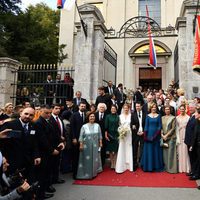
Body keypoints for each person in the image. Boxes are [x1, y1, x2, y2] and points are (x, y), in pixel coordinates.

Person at [76, 112, 103, 179]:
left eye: (93, 116)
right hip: (86, 146)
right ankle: (87, 173)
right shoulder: (84, 126)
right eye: (90, 116)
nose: (92, 118)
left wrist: (100, 143)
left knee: (95, 158)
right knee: (87, 159)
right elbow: (81, 136)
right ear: (88, 117)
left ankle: (94, 173)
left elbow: (100, 135)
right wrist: (81, 145)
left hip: (95, 146)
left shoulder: (97, 125)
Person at [141, 103, 164, 172]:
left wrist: (155, 136)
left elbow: (159, 126)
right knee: (149, 151)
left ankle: (155, 166)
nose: (154, 108)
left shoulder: (159, 116)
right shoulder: (147, 116)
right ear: (150, 108)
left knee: (155, 151)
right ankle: (148, 166)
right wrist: (145, 136)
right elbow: (146, 126)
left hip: (156, 136)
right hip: (148, 136)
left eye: (155, 107)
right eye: (152, 107)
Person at [49, 104, 65, 184]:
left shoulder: (60, 118)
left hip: (60, 143)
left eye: (59, 108)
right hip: (53, 144)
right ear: (52, 109)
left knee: (57, 162)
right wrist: (59, 138)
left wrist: (63, 139)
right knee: (52, 163)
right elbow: (52, 133)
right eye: (56, 108)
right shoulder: (50, 119)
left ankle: (56, 177)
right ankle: (51, 180)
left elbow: (62, 130)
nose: (58, 110)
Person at [70, 102, 87, 179]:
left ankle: (82, 171)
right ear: (79, 106)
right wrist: (73, 138)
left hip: (85, 139)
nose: (83, 107)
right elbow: (72, 127)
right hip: (76, 139)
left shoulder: (86, 115)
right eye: (81, 106)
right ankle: (75, 173)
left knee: (83, 156)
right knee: (75, 156)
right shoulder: (74, 115)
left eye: (84, 106)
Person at [115, 104, 133, 173]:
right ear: (123, 109)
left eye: (127, 108)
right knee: (122, 148)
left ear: (129, 109)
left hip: (129, 134)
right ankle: (121, 166)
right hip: (122, 134)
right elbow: (119, 125)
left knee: (128, 148)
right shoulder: (120, 116)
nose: (126, 109)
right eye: (125, 108)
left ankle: (129, 166)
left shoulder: (131, 116)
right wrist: (121, 131)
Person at [161, 106, 177, 173]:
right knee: (165, 153)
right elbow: (160, 127)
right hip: (163, 137)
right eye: (166, 109)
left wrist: (166, 135)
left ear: (170, 110)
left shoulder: (173, 118)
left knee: (171, 153)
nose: (167, 110)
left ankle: (171, 169)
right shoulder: (162, 117)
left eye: (168, 109)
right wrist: (162, 135)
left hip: (171, 137)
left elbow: (173, 128)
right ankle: (166, 168)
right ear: (164, 110)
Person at [131, 102, 146, 171]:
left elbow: (146, 124)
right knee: (135, 149)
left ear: (141, 106)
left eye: (138, 106)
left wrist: (143, 132)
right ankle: (135, 164)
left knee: (143, 149)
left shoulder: (145, 114)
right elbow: (132, 125)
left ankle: (142, 164)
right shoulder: (133, 115)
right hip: (136, 134)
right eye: (136, 106)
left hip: (143, 134)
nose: (137, 107)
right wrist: (136, 131)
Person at [176, 104, 190, 173]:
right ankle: (181, 168)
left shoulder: (188, 117)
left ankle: (187, 168)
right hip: (179, 135)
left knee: (186, 151)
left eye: (183, 109)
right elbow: (176, 128)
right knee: (180, 151)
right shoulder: (177, 118)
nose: (182, 110)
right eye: (180, 109)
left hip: (186, 135)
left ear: (185, 109)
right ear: (179, 110)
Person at [184, 103, 197, 176]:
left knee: (194, 158)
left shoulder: (196, 117)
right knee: (191, 158)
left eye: (192, 108)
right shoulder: (191, 116)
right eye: (189, 108)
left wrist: (192, 144)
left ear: (195, 108)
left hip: (193, 142)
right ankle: (192, 171)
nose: (190, 109)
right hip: (189, 141)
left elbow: (195, 132)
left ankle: (195, 173)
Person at [105, 105, 119, 169]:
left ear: (116, 109)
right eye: (112, 108)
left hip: (116, 134)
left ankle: (115, 162)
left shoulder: (118, 116)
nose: (113, 110)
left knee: (115, 149)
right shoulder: (108, 116)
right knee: (110, 150)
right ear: (110, 109)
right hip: (110, 134)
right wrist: (106, 135)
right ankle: (112, 163)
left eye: (114, 109)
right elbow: (106, 127)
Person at [190, 108, 200, 183]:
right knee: (197, 160)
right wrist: (192, 145)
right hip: (197, 144)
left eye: (196, 113)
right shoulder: (197, 121)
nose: (194, 115)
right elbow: (195, 135)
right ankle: (196, 174)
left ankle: (197, 174)